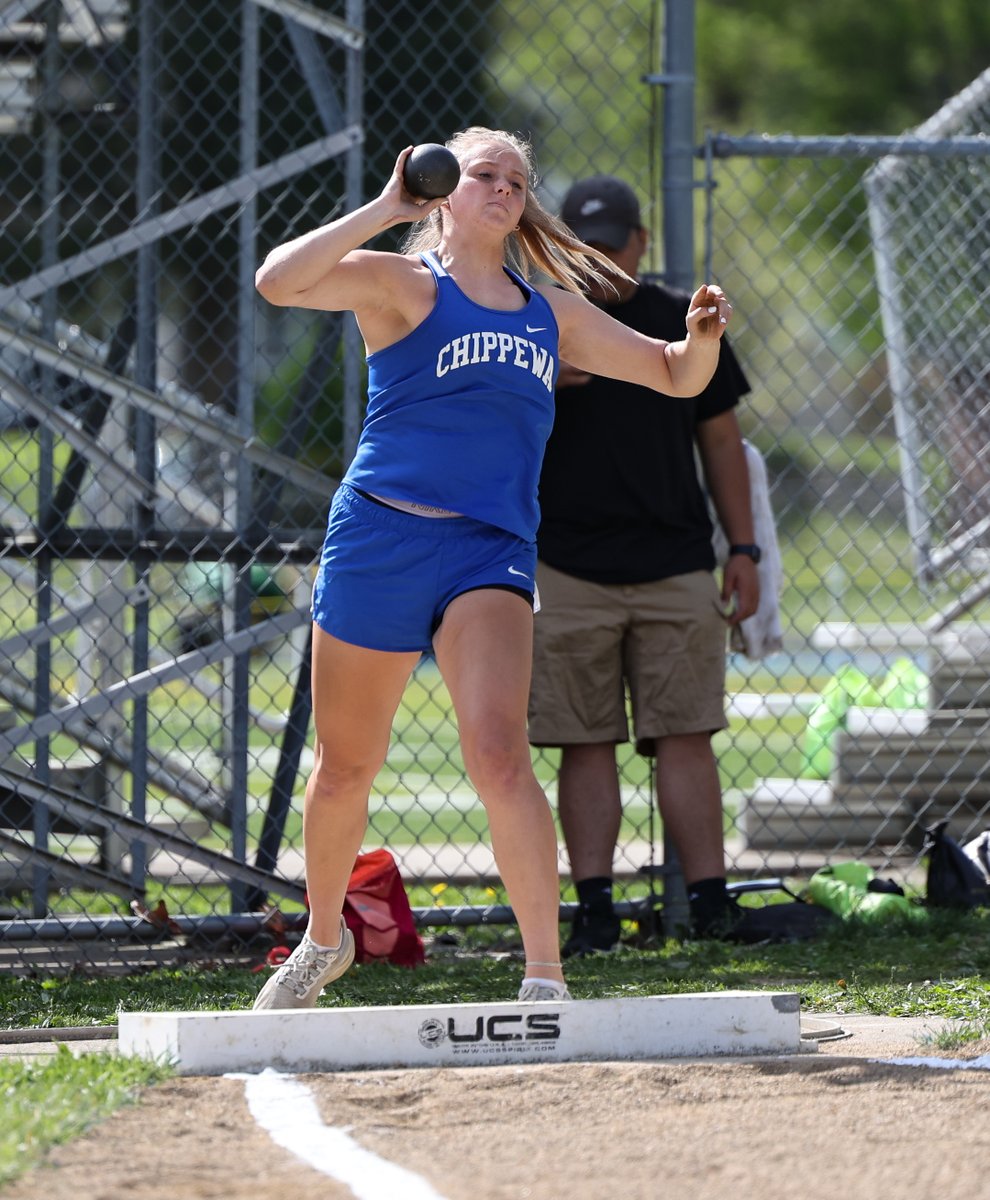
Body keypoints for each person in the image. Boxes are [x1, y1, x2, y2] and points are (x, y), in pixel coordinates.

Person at [251, 132, 733, 1009]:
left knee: (500, 756)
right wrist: (392, 207)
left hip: (489, 551)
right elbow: (278, 281)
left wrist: (698, 340)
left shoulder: (547, 310)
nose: (505, 189)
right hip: (380, 537)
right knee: (346, 765)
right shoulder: (403, 286)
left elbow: (672, 375)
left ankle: (544, 975)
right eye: (486, 176)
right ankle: (325, 939)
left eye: (518, 180)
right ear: (445, 192)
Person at [527, 174, 758, 956]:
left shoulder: (677, 321)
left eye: (614, 244)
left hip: (674, 560)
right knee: (583, 740)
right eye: (584, 246)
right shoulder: (536, 322)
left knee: (687, 732)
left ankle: (711, 904)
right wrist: (544, 381)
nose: (602, 259)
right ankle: (595, 910)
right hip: (566, 562)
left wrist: (746, 549)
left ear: (641, 244)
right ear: (565, 248)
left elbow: (722, 442)